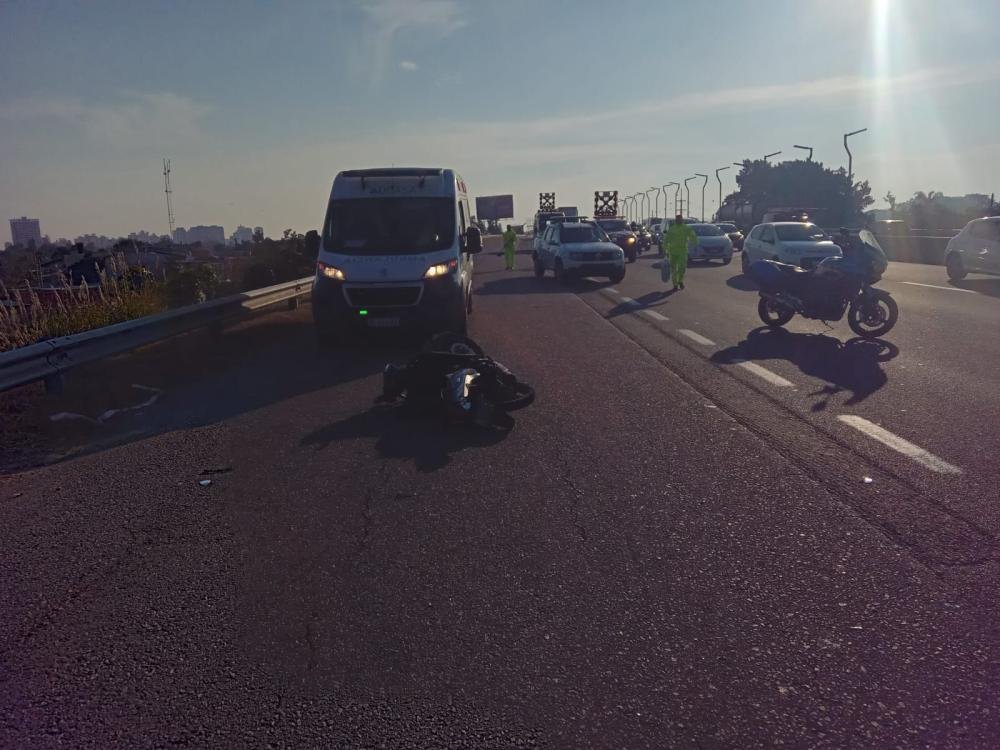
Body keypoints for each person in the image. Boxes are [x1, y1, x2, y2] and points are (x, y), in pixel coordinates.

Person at [662, 215, 696, 290]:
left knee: (682, 268)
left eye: (680, 219)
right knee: (673, 269)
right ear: (676, 220)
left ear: (682, 220)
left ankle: (680, 281)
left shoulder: (686, 228)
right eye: (677, 219)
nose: (679, 220)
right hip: (672, 252)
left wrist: (695, 242)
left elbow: (692, 236)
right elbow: (666, 240)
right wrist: (665, 249)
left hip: (683, 251)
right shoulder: (672, 229)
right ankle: (675, 284)